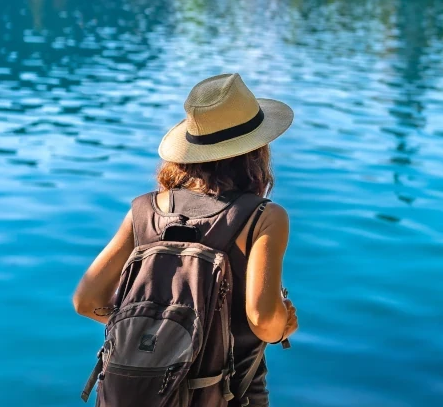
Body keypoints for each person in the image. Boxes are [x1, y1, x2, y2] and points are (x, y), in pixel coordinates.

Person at [73, 73, 298, 406]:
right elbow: (263, 322)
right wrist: (283, 325)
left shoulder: (144, 210)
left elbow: (86, 301)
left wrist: (165, 334)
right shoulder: (264, 217)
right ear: (257, 149)